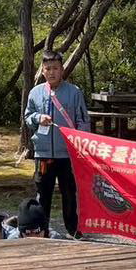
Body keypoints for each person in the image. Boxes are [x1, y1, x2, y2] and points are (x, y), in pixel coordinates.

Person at [23, 50, 90, 239]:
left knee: (69, 193)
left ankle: (73, 230)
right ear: (43, 71)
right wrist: (38, 118)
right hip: (43, 154)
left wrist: (80, 143)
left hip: (68, 154)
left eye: (55, 68)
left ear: (62, 70)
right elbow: (27, 117)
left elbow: (83, 121)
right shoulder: (35, 93)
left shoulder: (74, 92)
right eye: (48, 68)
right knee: (42, 194)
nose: (51, 72)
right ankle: (41, 230)